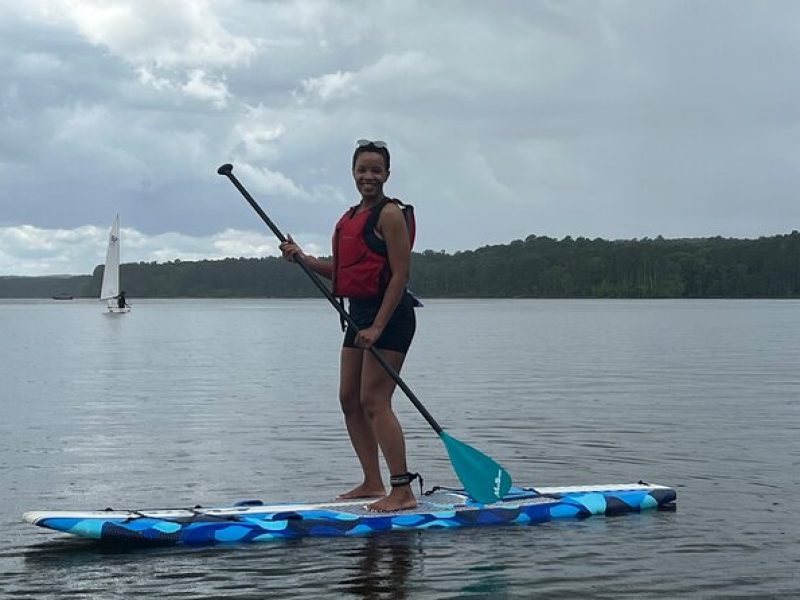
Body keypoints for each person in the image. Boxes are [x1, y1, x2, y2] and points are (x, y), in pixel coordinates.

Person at [279, 139, 419, 512]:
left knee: (375, 401)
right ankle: (372, 481)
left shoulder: (389, 214)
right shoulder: (349, 217)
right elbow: (344, 273)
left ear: (387, 174)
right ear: (353, 173)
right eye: (362, 170)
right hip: (357, 313)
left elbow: (400, 275)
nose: (368, 176)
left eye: (376, 170)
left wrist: (377, 326)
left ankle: (402, 490)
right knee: (349, 399)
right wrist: (304, 260)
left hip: (390, 315)